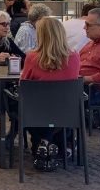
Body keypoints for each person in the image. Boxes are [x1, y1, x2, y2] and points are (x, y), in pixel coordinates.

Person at [21, 17, 80, 171]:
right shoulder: (74, 57)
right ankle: (50, 143)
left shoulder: (32, 57)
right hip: (66, 111)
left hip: (37, 111)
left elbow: (25, 82)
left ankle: (42, 142)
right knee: (54, 113)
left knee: (18, 105)